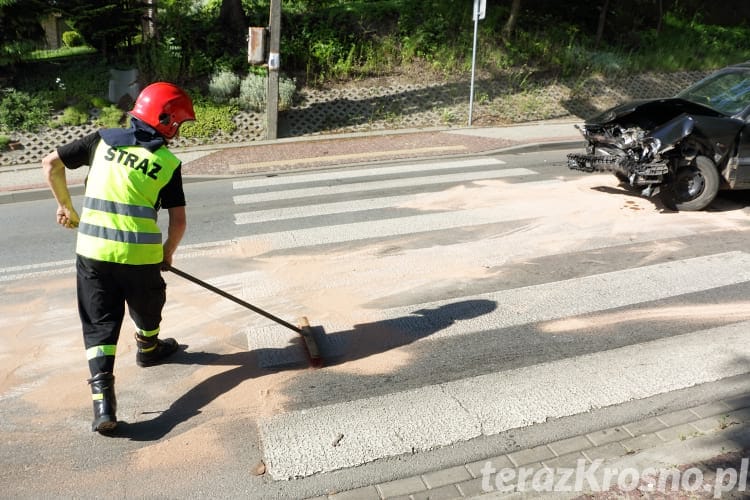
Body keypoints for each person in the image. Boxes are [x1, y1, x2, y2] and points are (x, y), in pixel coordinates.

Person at [42, 82, 196, 434]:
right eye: (179, 124)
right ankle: (149, 347)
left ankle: (102, 405)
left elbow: (50, 162)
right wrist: (166, 253)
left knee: (100, 322)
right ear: (168, 122)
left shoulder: (102, 140)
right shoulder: (167, 162)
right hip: (140, 256)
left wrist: (66, 207)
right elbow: (179, 220)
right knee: (148, 303)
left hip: (93, 252)